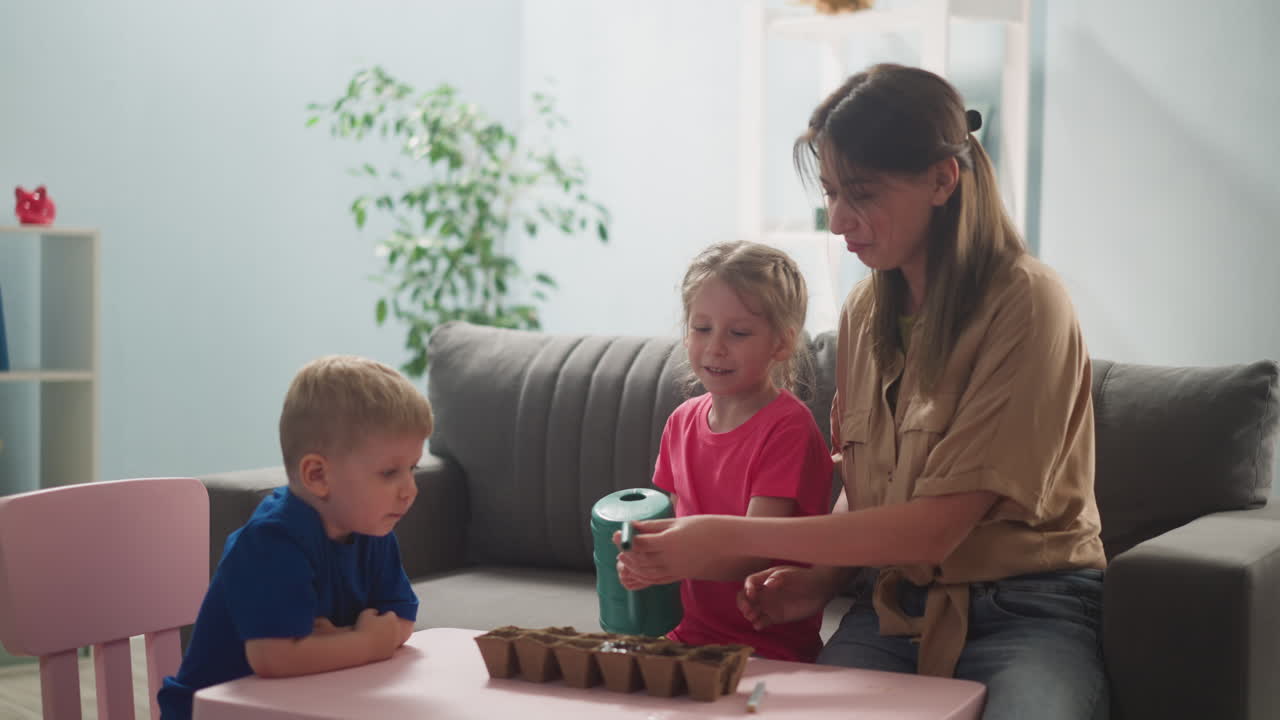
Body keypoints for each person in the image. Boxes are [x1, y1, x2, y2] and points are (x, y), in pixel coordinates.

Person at [617, 64, 1108, 720]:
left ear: (942, 180)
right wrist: (820, 581)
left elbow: (935, 529)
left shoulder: (1029, 303)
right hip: (892, 611)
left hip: (1030, 610)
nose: (838, 220)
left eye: (862, 193)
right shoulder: (863, 312)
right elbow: (863, 484)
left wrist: (723, 537)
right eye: (830, 192)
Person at [158, 355, 431, 719]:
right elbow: (275, 657)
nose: (410, 490)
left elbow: (401, 621)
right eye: (389, 473)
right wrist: (366, 643)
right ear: (317, 475)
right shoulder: (271, 541)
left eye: (412, 468)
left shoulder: (373, 531)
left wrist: (334, 644)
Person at [618, 241, 834, 662]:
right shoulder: (680, 422)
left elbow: (754, 550)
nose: (715, 347)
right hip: (687, 635)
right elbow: (667, 521)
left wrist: (673, 560)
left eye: (738, 333)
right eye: (702, 328)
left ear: (781, 343)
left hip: (769, 646)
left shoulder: (788, 427)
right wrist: (636, 557)